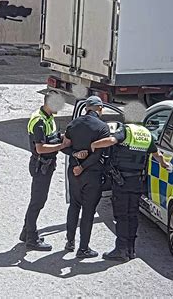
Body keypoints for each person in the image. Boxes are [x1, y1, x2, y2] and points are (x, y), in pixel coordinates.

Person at [90, 122, 172, 261]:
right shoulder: (147, 135)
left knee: (122, 215)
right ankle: (131, 250)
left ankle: (121, 250)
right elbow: (157, 154)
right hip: (137, 181)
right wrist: (165, 164)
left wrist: (93, 145)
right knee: (132, 214)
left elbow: (111, 140)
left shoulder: (126, 130)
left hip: (122, 181)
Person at [20, 92, 71, 251]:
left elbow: (53, 138)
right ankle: (31, 238)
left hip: (46, 164)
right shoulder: (39, 121)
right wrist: (62, 146)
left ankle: (25, 232)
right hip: (40, 164)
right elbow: (40, 148)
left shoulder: (49, 118)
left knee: (38, 199)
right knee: (38, 201)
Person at [64, 96, 110, 258]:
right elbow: (99, 155)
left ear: (86, 108)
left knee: (74, 206)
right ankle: (83, 248)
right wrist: (83, 166)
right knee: (88, 211)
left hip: (74, 172)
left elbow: (64, 147)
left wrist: (75, 157)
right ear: (98, 108)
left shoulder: (73, 123)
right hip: (92, 174)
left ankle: (70, 242)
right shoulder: (102, 128)